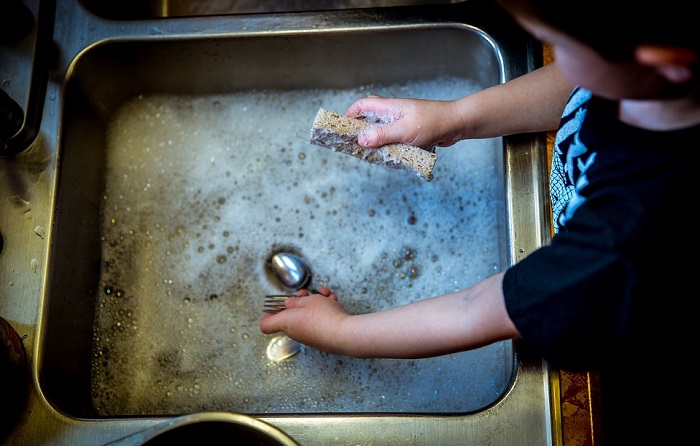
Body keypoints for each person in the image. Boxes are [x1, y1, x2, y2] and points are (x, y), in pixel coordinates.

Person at [261, 0, 698, 442]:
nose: (555, 59)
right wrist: (454, 118)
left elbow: (475, 311)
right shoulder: (650, 81)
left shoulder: (624, 243)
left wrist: (341, 332)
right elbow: (577, 88)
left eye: (561, 47)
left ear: (666, 62)